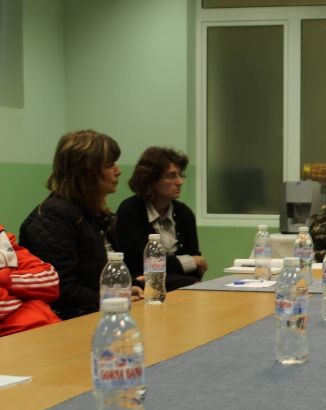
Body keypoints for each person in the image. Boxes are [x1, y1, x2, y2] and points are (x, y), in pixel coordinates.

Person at [19, 130, 141, 319]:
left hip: (97, 313)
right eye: (109, 165)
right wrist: (112, 298)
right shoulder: (52, 218)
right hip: (68, 322)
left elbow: (96, 275)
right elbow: (62, 291)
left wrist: (127, 288)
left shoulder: (93, 213)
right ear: (86, 172)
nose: (118, 170)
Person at [115, 147, 207, 291]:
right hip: (142, 292)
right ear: (151, 180)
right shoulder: (130, 211)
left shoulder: (184, 213)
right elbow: (141, 266)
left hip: (182, 287)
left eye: (180, 175)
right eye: (171, 176)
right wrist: (189, 262)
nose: (180, 182)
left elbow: (198, 269)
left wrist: (184, 265)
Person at [0, 225, 60, 336]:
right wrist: (27, 296)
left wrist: (6, 280)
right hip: (12, 339)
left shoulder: (2, 240)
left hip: (53, 327)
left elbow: (51, 279)